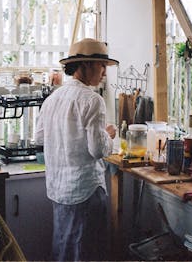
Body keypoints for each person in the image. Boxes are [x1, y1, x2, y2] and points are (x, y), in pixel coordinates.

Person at [34, 38, 118, 261]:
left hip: (59, 188)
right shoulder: (92, 100)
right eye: (101, 66)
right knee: (87, 252)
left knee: (64, 249)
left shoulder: (52, 99)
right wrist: (108, 136)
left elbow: (40, 137)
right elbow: (98, 150)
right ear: (86, 65)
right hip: (85, 190)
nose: (104, 73)